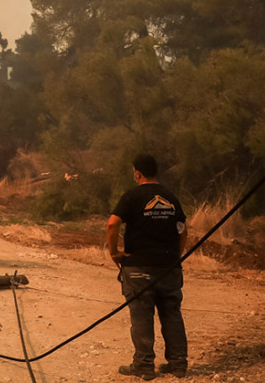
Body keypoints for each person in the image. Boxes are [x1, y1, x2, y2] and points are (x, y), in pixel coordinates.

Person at [107, 154, 188, 380]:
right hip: (169, 266)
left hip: (139, 268)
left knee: (142, 315)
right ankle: (178, 364)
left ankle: (143, 366)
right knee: (171, 313)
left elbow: (112, 223)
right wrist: (175, 256)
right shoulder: (170, 197)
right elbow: (183, 230)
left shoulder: (132, 196)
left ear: (137, 173)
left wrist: (114, 252)